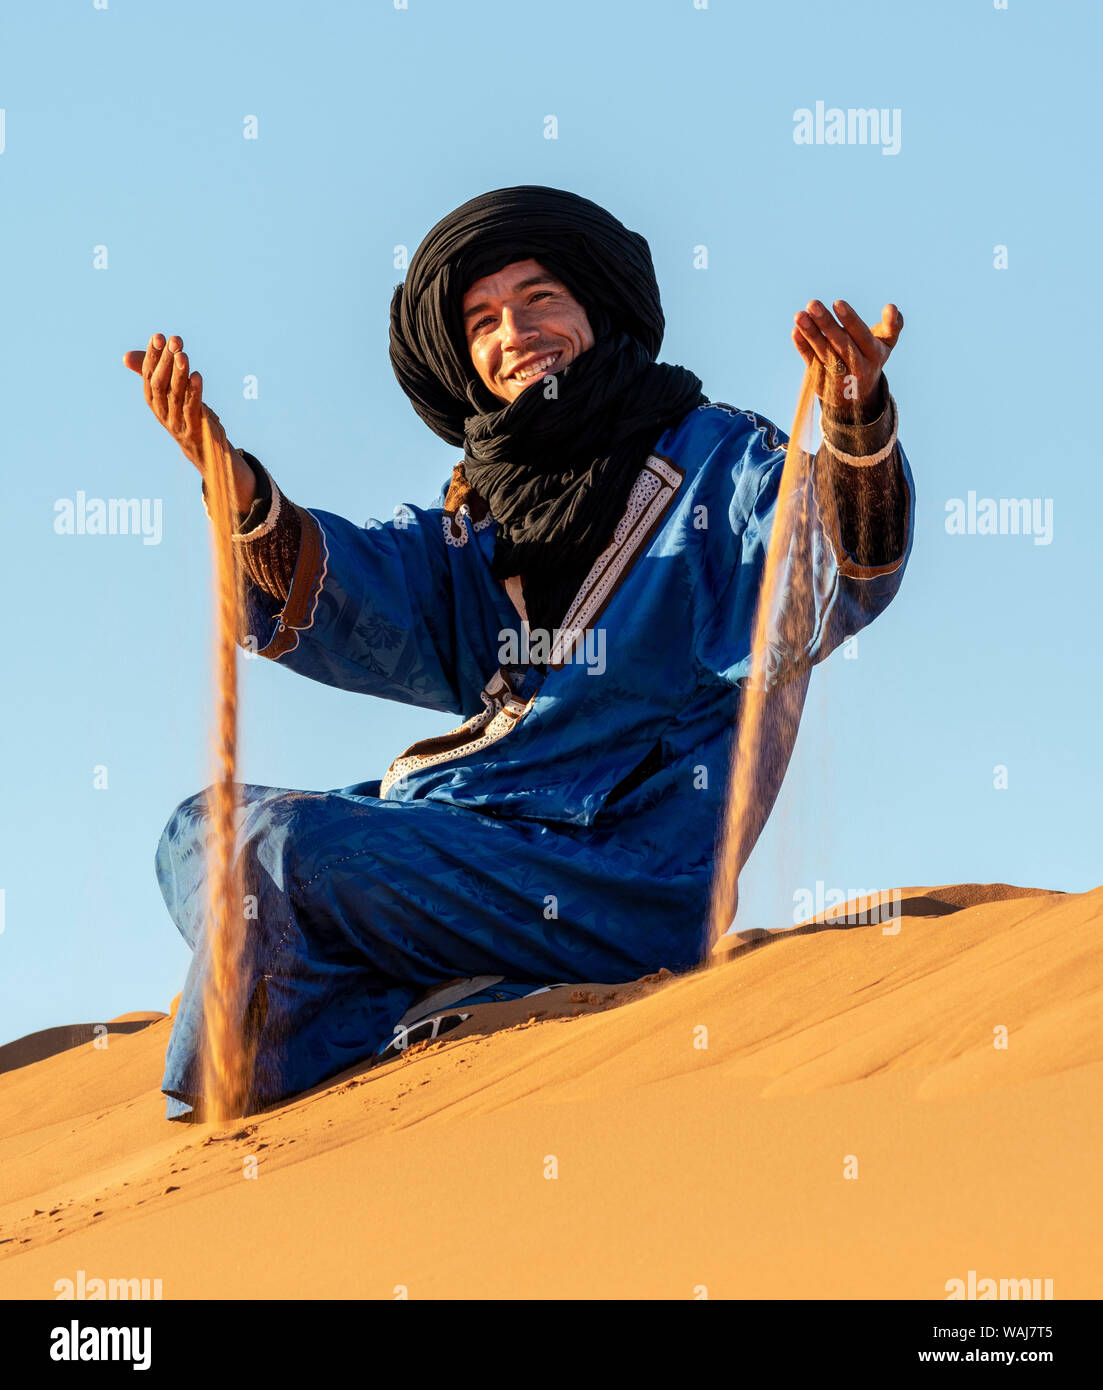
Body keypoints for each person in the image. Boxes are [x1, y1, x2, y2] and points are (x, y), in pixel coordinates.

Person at [124, 185, 914, 1119]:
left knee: (280, 851)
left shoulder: (714, 461)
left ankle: (299, 1039)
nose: (517, 332)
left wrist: (858, 423)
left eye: (541, 299)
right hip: (471, 847)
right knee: (199, 831)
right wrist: (242, 490)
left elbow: (828, 571)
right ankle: (415, 997)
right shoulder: (477, 520)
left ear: (592, 310)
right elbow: (353, 590)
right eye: (484, 320)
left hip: (620, 877)